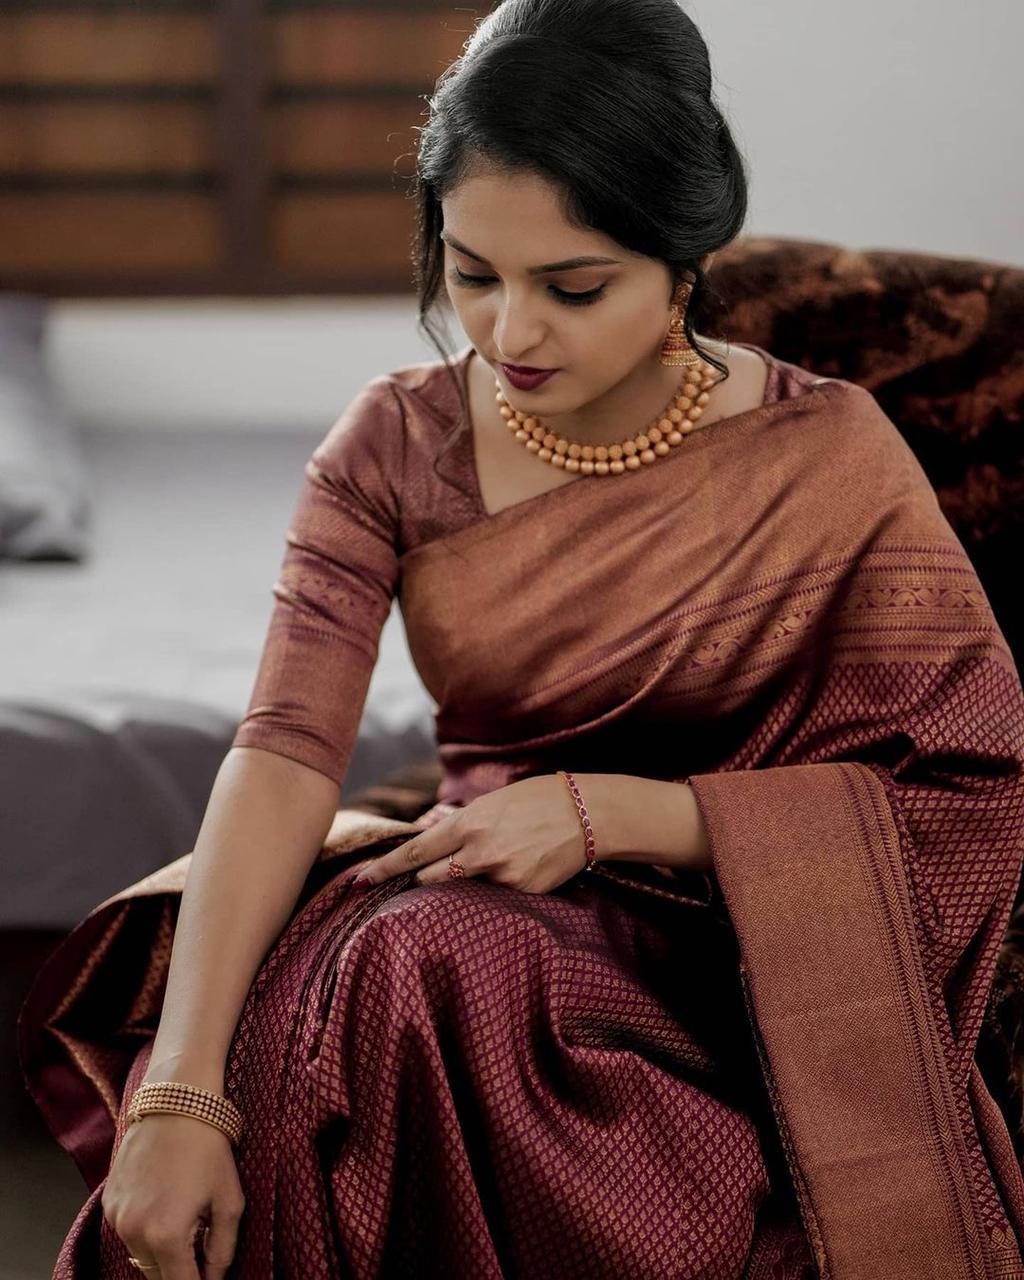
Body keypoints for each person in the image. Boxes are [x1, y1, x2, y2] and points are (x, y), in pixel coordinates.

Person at [18, 1, 1024, 1277]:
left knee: (412, 963)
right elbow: (282, 751)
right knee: (375, 975)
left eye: (574, 285)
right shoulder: (393, 442)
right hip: (478, 900)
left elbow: (971, 786)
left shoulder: (825, 455)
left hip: (749, 948)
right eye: (472, 273)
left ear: (681, 257)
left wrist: (618, 812)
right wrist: (177, 1089)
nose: (510, 336)